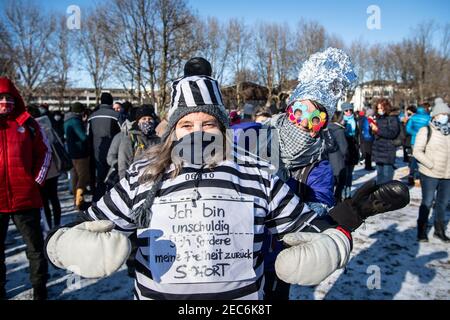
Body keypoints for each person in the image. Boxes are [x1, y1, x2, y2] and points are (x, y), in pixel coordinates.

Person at [44, 68, 409, 300]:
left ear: (222, 128)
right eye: (186, 125)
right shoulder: (145, 173)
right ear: (172, 131)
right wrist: (71, 247)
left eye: (208, 124)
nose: (198, 133)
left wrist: (353, 212)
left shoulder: (255, 172)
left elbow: (305, 226)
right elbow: (93, 226)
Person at [0, 77, 50, 300]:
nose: (4, 102)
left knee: (35, 249)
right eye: (0, 98)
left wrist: (36, 181)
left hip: (25, 198)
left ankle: (40, 288)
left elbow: (45, 153)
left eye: (8, 98)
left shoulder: (27, 123)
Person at [413, 98, 450, 242]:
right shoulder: (426, 130)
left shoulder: (448, 131)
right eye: (442, 114)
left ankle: (439, 230)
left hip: (447, 175)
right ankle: (421, 231)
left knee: (443, 203)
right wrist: (430, 164)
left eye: (446, 114)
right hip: (430, 173)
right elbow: (417, 151)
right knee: (427, 202)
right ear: (434, 116)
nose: (445, 117)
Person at [88, 92, 121, 202]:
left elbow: (88, 135)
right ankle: (110, 201)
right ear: (111, 102)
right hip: (114, 152)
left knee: (100, 178)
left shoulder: (92, 116)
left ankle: (97, 200)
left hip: (97, 152)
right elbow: (124, 133)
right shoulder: (116, 115)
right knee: (112, 179)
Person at [65, 102, 90, 210]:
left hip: (71, 152)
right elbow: (83, 137)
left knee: (75, 176)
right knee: (83, 177)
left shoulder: (67, 120)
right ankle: (79, 200)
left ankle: (76, 199)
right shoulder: (76, 121)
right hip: (80, 153)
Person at [371, 98, 400, 184]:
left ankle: (386, 196)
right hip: (378, 149)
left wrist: (378, 130)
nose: (379, 110)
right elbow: (375, 133)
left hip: (388, 150)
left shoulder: (392, 118)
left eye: (381, 108)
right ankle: (379, 194)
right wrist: (372, 129)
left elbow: (392, 133)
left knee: (387, 177)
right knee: (379, 176)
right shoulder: (378, 117)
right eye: (378, 108)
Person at [406, 103, 430, 186]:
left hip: (414, 140)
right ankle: (420, 176)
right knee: (423, 159)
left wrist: (415, 134)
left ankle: (411, 175)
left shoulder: (413, 117)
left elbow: (408, 129)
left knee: (414, 158)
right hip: (425, 140)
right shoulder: (428, 118)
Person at [328, 111, 349, 203]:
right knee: (340, 184)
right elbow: (344, 148)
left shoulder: (327, 128)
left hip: (328, 161)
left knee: (331, 184)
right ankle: (337, 200)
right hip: (338, 162)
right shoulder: (339, 130)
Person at [342, 102, 360, 198]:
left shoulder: (356, 120)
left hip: (353, 148)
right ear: (343, 111)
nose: (348, 112)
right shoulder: (340, 120)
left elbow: (358, 134)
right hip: (344, 149)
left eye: (350, 110)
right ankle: (342, 193)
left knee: (350, 173)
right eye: (346, 110)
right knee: (344, 173)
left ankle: (348, 194)